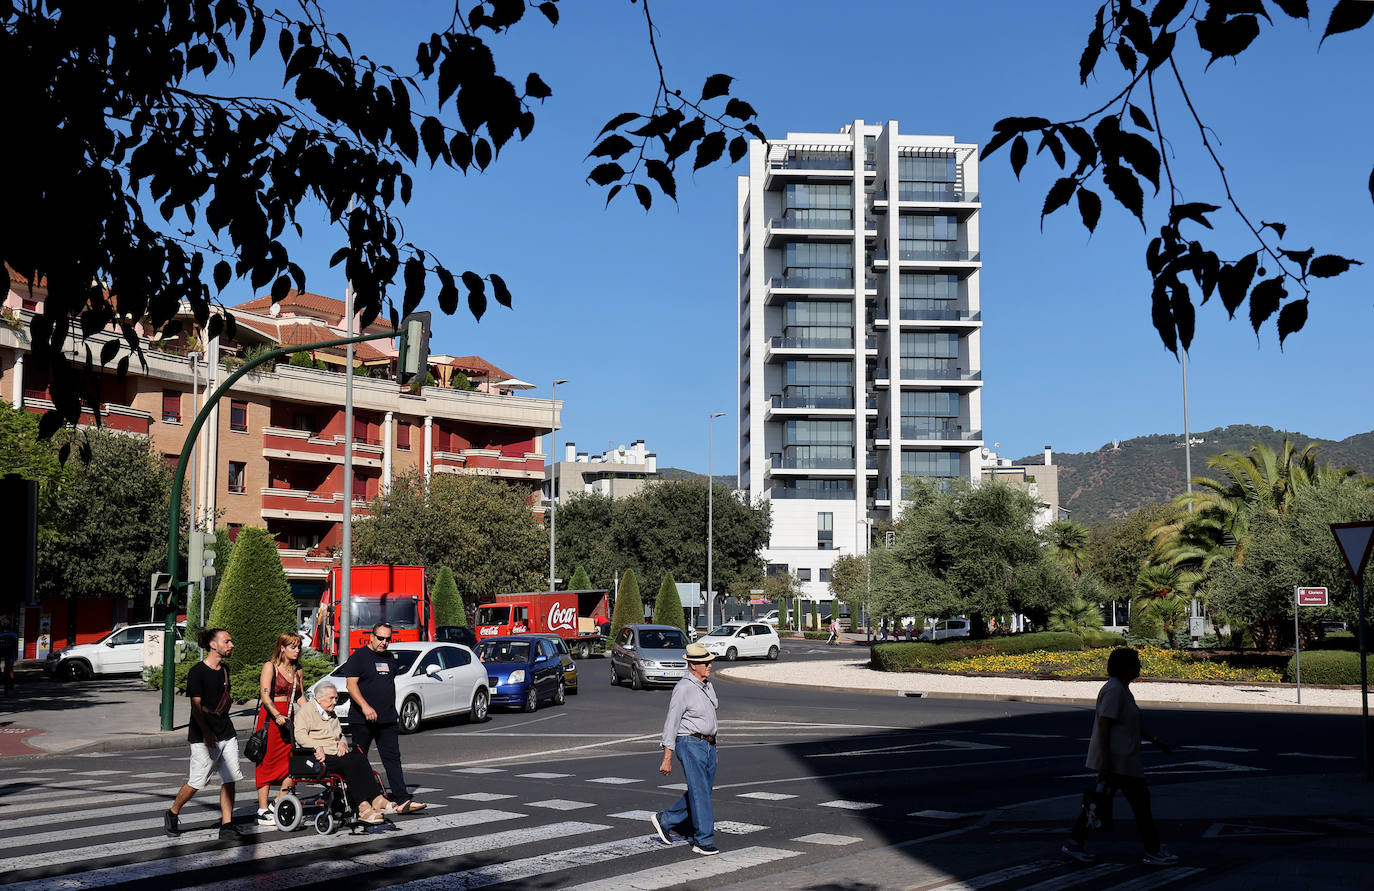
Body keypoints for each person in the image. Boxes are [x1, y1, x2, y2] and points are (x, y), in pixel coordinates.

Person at [1063, 647, 1178, 866]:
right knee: (1140, 806)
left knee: (1099, 804)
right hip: (1118, 762)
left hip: (1122, 760)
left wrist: (1155, 741)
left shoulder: (1122, 689)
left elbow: (1131, 723)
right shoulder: (1115, 690)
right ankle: (1153, 850)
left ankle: (1074, 842)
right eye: (1136, 662)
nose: (1139, 666)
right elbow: (1105, 724)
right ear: (1126, 667)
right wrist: (1106, 760)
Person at [165, 628, 244, 840]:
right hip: (203, 734)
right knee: (198, 781)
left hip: (226, 731)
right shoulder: (197, 672)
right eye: (227, 641)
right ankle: (173, 812)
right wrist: (207, 733)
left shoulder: (225, 669)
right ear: (213, 645)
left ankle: (227, 825)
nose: (231, 645)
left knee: (229, 779)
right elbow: (196, 707)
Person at [341, 622, 426, 814]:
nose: (384, 642)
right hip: (363, 719)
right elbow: (351, 686)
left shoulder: (389, 658)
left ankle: (402, 799)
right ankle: (360, 799)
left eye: (388, 639)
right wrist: (365, 707)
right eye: (380, 638)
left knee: (392, 759)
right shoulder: (359, 657)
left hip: (387, 719)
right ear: (371, 636)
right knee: (359, 759)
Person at [649, 642, 720, 856]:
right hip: (689, 743)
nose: (709, 665)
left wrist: (714, 748)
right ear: (692, 666)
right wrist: (667, 757)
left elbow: (711, 717)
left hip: (708, 744)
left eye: (709, 662)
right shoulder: (683, 689)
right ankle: (703, 840)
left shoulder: (707, 685)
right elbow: (671, 723)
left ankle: (666, 819)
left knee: (702, 792)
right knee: (700, 793)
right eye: (705, 663)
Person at [295, 682, 389, 824]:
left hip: (335, 753)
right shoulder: (306, 711)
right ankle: (363, 806)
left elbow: (340, 735)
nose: (335, 702)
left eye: (336, 698)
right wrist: (316, 746)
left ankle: (376, 798)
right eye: (331, 698)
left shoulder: (331, 713)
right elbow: (300, 736)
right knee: (349, 763)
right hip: (319, 757)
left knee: (359, 757)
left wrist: (343, 743)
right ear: (319, 698)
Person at [254, 632, 303, 826]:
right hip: (271, 720)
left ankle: (276, 803)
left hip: (288, 720)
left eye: (298, 647)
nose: (297, 650)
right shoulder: (270, 667)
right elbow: (265, 696)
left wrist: (312, 714)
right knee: (266, 763)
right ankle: (262, 809)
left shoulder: (298, 670)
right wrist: (276, 715)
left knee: (291, 765)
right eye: (292, 646)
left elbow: (299, 696)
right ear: (282, 648)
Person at [0, 616, 19, 695]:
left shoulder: (0, 634)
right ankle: (11, 683)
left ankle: (3, 679)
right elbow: (15, 645)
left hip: (1, 653)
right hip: (10, 654)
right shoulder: (13, 634)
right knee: (10, 669)